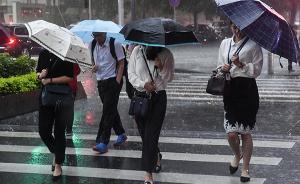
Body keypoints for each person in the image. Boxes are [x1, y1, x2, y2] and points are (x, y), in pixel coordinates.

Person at [218, 23, 263, 183]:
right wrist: (223, 68)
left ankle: (245, 169)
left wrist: (240, 64)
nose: (236, 30)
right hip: (230, 90)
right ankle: (237, 154)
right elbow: (218, 67)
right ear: (231, 26)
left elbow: (257, 70)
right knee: (231, 134)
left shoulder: (254, 45)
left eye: (239, 28)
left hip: (247, 91)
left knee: (245, 133)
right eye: (234, 27)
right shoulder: (225, 43)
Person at [128, 45, 174, 184]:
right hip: (140, 99)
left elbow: (169, 78)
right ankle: (156, 155)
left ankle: (148, 174)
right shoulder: (137, 51)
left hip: (158, 98)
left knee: (151, 135)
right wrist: (143, 84)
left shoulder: (165, 53)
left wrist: (161, 67)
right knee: (145, 135)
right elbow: (130, 74)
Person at [36, 49, 74, 181]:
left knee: (59, 132)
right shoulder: (43, 53)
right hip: (46, 98)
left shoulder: (66, 55)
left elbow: (70, 77)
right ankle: (57, 152)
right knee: (43, 131)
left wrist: (50, 79)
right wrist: (41, 75)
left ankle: (58, 164)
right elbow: (38, 74)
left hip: (62, 98)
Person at [89, 32, 127, 153]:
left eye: (99, 35)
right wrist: (94, 67)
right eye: (94, 35)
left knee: (107, 111)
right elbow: (93, 62)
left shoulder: (114, 43)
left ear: (104, 33)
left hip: (113, 81)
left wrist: (117, 81)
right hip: (101, 82)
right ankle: (121, 133)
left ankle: (102, 141)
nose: (97, 38)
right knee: (110, 109)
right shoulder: (92, 44)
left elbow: (122, 63)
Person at [66, 63, 81, 136]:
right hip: (72, 87)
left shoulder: (58, 59)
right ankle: (69, 129)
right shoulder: (72, 60)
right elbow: (78, 71)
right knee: (70, 109)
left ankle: (62, 127)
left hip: (61, 87)